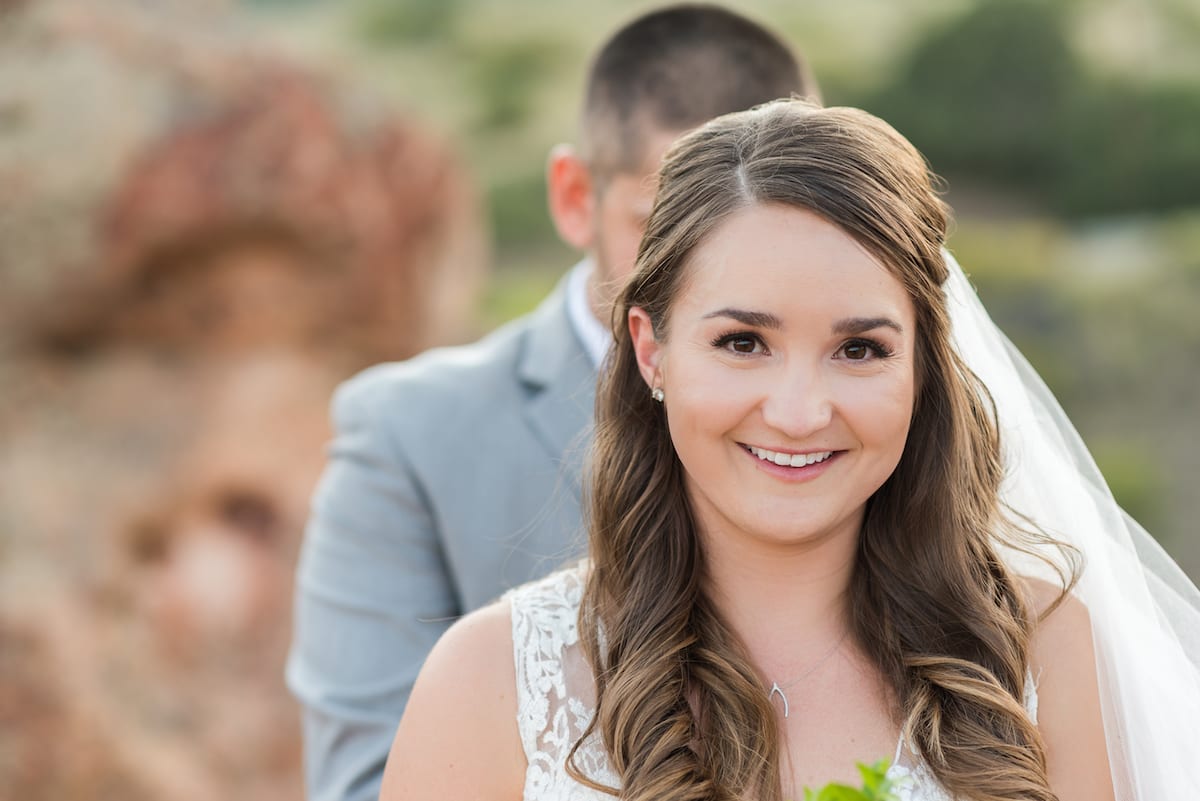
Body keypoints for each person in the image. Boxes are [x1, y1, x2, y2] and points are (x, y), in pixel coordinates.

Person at [379, 99, 1200, 800]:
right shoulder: (488, 683)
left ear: (920, 367)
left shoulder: (1044, 653)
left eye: (859, 349)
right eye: (743, 342)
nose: (801, 412)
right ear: (650, 349)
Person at [286, 6, 821, 800]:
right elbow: (369, 780)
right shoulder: (409, 436)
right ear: (575, 196)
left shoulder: (876, 419)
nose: (732, 280)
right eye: (670, 229)